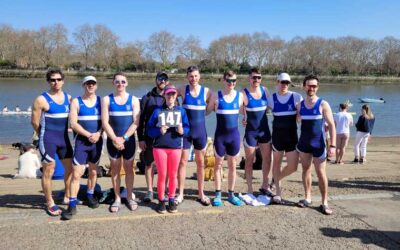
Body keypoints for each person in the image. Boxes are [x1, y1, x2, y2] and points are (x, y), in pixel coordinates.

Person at [31, 68, 73, 216]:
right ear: (48, 82)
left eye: (58, 79)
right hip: (47, 138)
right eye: (52, 80)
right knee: (49, 170)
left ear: (63, 81)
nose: (56, 82)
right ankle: (50, 202)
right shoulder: (41, 99)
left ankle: (68, 196)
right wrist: (45, 136)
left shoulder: (69, 98)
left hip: (64, 139)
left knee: (70, 169)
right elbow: (35, 123)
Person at [61, 76, 103, 220]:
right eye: (87, 84)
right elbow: (73, 123)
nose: (90, 86)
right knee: (76, 174)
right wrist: (88, 135)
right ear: (83, 85)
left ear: (96, 86)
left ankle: (90, 196)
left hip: (97, 142)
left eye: (93, 83)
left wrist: (98, 134)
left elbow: (106, 122)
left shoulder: (101, 101)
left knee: (93, 171)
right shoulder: (76, 102)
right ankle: (72, 205)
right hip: (82, 143)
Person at [296, 74, 336, 215]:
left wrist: (332, 146)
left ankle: (324, 202)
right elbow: (294, 120)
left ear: (317, 87)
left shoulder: (323, 104)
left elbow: (331, 125)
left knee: (321, 173)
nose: (311, 88)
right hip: (304, 144)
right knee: (306, 170)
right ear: (304, 86)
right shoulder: (299, 106)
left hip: (318, 144)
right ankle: (307, 198)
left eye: (314, 86)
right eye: (309, 85)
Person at [147, 85, 190, 213]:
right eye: (168, 94)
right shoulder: (157, 111)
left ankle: (171, 199)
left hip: (175, 147)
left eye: (173, 94)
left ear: (176, 96)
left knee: (173, 175)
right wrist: (158, 130)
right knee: (162, 174)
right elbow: (149, 130)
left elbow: (187, 128)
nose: (170, 97)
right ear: (164, 96)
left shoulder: (181, 111)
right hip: (159, 147)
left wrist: (182, 131)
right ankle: (161, 200)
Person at [101, 72, 140, 213]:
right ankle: (117, 198)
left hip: (128, 141)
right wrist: (115, 139)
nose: (120, 84)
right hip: (113, 141)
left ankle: (129, 197)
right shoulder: (106, 100)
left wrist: (124, 138)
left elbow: (136, 122)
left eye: (123, 82)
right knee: (115, 170)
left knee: (129, 169)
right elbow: (105, 122)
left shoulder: (134, 100)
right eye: (117, 82)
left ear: (127, 83)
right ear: (113, 83)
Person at [207, 70, 243, 206]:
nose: (231, 83)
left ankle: (231, 194)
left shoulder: (240, 97)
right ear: (224, 81)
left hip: (234, 136)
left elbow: (247, 111)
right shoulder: (216, 96)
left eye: (234, 81)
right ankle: (217, 194)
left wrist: (246, 119)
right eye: (229, 81)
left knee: (233, 165)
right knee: (218, 165)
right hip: (220, 136)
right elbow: (206, 112)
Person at [177, 66, 212, 206]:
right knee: (182, 163)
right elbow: (168, 94)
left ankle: (201, 193)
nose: (193, 79)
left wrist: (206, 111)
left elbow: (216, 101)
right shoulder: (182, 89)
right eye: (191, 76)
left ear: (200, 76)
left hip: (200, 133)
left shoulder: (207, 91)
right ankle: (180, 194)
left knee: (201, 163)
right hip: (185, 133)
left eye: (196, 76)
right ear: (187, 77)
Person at [268, 72, 303, 204]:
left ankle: (275, 180)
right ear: (277, 83)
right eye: (282, 82)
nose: (284, 85)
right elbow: (258, 112)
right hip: (277, 137)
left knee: (293, 167)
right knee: (276, 164)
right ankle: (278, 192)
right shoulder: (271, 99)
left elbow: (301, 117)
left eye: (287, 83)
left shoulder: (296, 97)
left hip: (291, 137)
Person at [240, 67, 273, 204]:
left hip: (264, 131)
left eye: (259, 77)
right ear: (249, 78)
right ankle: (249, 188)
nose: (256, 80)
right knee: (249, 162)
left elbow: (270, 107)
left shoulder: (265, 91)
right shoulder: (244, 93)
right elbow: (240, 109)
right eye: (254, 77)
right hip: (251, 133)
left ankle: (265, 185)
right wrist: (245, 117)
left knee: (268, 159)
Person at [138, 72, 169, 202]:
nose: (162, 81)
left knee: (165, 165)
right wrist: (140, 138)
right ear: (156, 80)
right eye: (160, 79)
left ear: (167, 82)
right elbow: (140, 120)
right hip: (150, 136)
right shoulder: (147, 98)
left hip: (166, 137)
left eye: (165, 79)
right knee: (149, 164)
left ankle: (164, 189)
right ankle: (150, 190)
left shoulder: (171, 96)